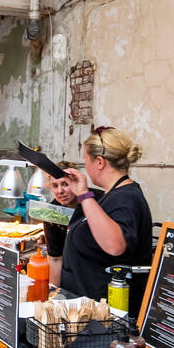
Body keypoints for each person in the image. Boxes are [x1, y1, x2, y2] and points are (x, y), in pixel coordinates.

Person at [57, 126, 153, 300]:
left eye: (86, 161)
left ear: (99, 162)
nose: (86, 166)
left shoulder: (127, 198)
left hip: (105, 313)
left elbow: (115, 245)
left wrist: (84, 194)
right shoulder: (110, 195)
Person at [40, 161, 99, 289]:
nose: (60, 191)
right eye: (55, 186)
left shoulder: (98, 199)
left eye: (65, 184)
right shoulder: (52, 212)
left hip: (97, 274)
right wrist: (54, 293)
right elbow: (55, 258)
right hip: (71, 277)